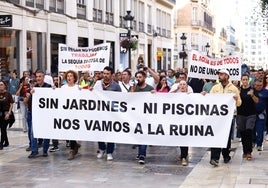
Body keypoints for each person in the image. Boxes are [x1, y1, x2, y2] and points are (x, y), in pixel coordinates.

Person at [203, 68, 241, 167]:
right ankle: (214, 158)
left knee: (226, 138)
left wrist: (236, 99)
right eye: (219, 74)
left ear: (227, 76)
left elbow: (239, 103)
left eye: (222, 74)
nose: (219, 76)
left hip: (229, 118)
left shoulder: (233, 88)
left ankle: (226, 154)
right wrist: (205, 95)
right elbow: (209, 100)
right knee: (216, 136)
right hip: (217, 117)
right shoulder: (215, 88)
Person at [91, 66, 121, 161]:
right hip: (100, 113)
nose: (105, 75)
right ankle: (102, 148)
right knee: (99, 132)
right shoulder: (98, 84)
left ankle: (109, 152)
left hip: (111, 113)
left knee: (111, 133)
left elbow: (120, 100)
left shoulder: (116, 86)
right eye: (104, 73)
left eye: (107, 74)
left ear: (111, 75)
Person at [131, 70, 155, 164]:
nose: (138, 79)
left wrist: (154, 94)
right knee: (138, 135)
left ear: (144, 78)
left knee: (143, 135)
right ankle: (140, 152)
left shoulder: (149, 88)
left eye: (140, 77)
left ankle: (142, 154)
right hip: (135, 116)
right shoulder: (134, 88)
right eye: (137, 77)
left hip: (146, 117)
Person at [28, 70, 52, 158]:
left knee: (46, 132)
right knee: (33, 132)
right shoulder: (35, 88)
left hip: (46, 115)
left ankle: (45, 150)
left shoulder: (49, 87)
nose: (38, 78)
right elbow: (30, 102)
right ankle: (34, 150)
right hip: (36, 115)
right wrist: (31, 94)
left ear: (43, 77)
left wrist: (54, 90)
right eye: (37, 76)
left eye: (40, 76)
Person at [236, 74, 258, 161]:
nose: (245, 81)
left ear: (248, 80)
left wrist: (252, 95)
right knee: (243, 133)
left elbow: (257, 101)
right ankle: (245, 151)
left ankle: (249, 152)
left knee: (249, 131)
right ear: (241, 80)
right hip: (241, 114)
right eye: (243, 79)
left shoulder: (252, 90)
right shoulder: (238, 90)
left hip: (250, 114)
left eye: (246, 79)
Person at [61, 70, 81, 160]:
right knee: (67, 132)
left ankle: (72, 150)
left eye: (71, 76)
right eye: (68, 76)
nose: (69, 77)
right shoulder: (63, 88)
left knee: (72, 132)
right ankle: (75, 145)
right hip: (66, 113)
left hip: (75, 113)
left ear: (74, 78)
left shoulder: (78, 87)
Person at [175, 80, 192, 166]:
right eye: (180, 84)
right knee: (179, 139)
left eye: (184, 84)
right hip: (176, 120)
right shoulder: (175, 95)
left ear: (187, 86)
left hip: (186, 120)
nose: (182, 86)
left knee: (184, 138)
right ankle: (183, 154)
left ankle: (184, 157)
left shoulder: (190, 95)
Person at [253, 78, 268, 151]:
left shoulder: (266, 92)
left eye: (260, 85)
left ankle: (259, 144)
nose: (259, 87)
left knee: (260, 130)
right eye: (257, 85)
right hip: (252, 114)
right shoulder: (251, 91)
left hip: (261, 114)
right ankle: (253, 141)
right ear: (254, 85)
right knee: (252, 129)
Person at [0, 81, 14, 149]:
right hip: (0, 114)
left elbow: (11, 104)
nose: (0, 86)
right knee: (2, 129)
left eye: (2, 85)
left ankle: (1, 143)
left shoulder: (8, 94)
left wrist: (9, 113)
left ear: (5, 86)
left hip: (6, 113)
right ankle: (6, 142)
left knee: (3, 128)